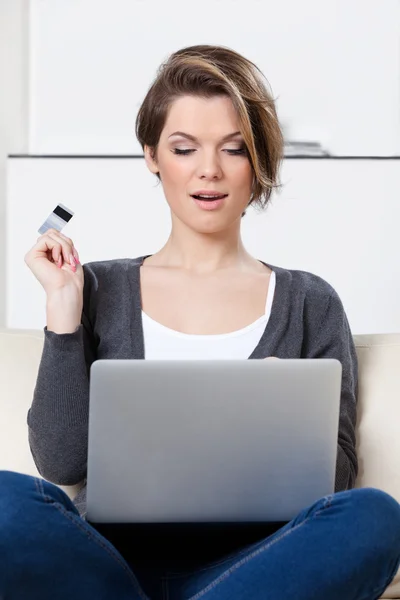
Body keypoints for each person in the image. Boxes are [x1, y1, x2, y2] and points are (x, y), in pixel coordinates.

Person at [1, 44, 399, 600]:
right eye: (184, 148)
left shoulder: (311, 303)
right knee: (3, 500)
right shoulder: (96, 288)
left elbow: (333, 486)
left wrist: (275, 416)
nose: (209, 170)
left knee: (376, 516)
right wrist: (63, 314)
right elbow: (61, 461)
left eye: (233, 149)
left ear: (257, 159)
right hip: (106, 567)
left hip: (256, 568)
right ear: (152, 156)